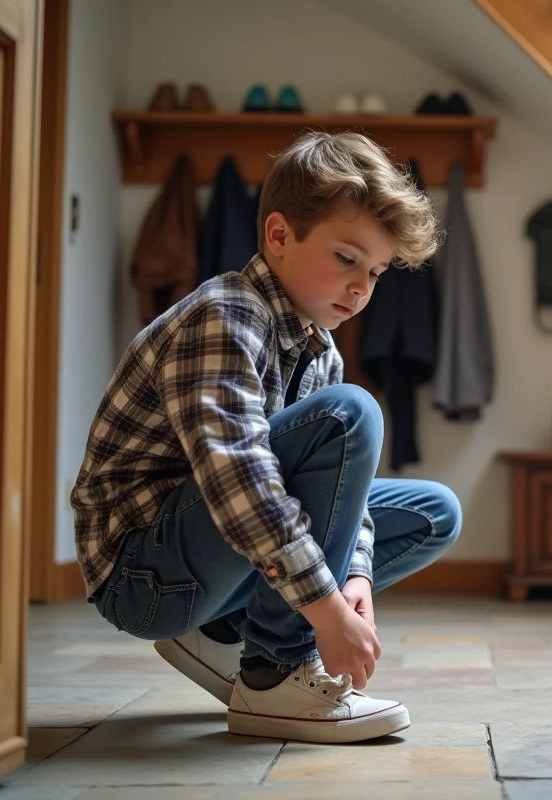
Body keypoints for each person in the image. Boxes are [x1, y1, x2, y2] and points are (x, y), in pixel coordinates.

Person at [70, 131, 460, 744]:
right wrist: (326, 612)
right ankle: (273, 673)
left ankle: (226, 632)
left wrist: (352, 581)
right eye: (346, 258)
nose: (363, 289)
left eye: (378, 272)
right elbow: (238, 480)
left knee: (435, 513)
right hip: (145, 577)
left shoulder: (317, 347)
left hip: (213, 558)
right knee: (350, 414)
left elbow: (339, 497)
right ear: (279, 236)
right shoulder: (224, 315)